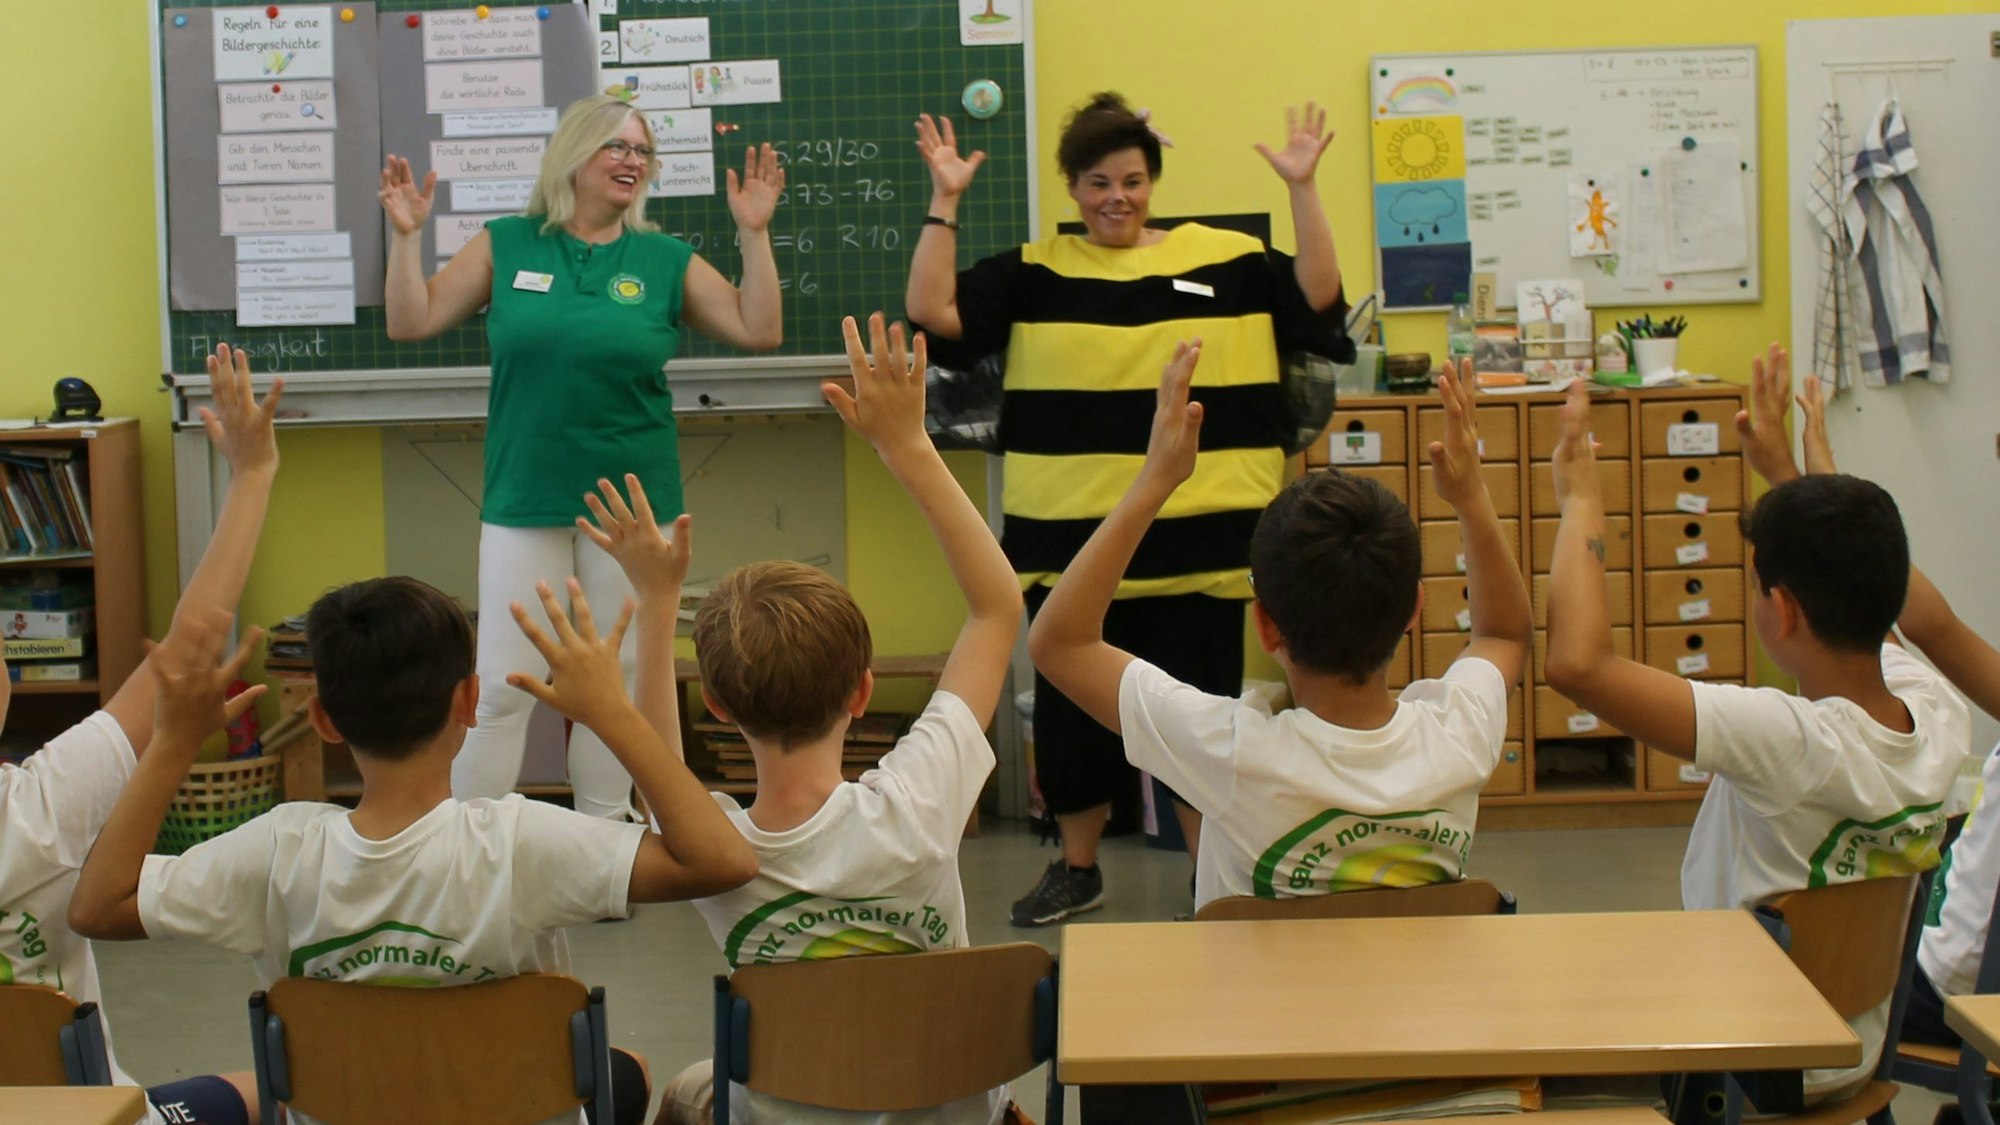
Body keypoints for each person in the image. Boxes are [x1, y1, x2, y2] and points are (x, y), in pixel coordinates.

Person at [68, 575, 759, 1125]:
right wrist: (610, 712)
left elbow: (97, 904)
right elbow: (720, 860)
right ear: (469, 700)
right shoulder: (522, 843)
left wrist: (170, 746)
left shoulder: (276, 851)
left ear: (322, 719)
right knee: (623, 1068)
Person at [906, 93, 1353, 926]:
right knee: (1074, 724)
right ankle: (1078, 869)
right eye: (1098, 181)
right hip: (1071, 554)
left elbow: (1317, 300)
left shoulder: (1229, 258)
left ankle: (1204, 875)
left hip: (1209, 551)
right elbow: (935, 314)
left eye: (1134, 180)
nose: (1118, 196)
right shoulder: (1036, 271)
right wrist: (946, 199)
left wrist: (1303, 187)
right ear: (1072, 188)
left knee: (1202, 720)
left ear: (1155, 181)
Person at [1541, 360, 1971, 1102]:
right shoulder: (1938, 710)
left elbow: (1578, 664)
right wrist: (1786, 467)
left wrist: (1581, 499)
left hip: (1752, 1053)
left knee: (1548, 1001)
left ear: (1784, 610)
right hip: (1857, 1048)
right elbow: (1873, 596)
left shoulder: (1788, 741)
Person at [657, 314, 1024, 1125]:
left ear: (713, 704)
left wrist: (654, 601)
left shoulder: (710, 849)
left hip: (790, 1109)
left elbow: (655, 757)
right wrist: (908, 445)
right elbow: (997, 609)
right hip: (943, 1106)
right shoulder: (921, 801)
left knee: (685, 1085)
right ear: (862, 692)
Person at [378, 94, 786, 821]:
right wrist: (406, 239)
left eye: (642, 152)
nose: (633, 161)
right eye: (617, 147)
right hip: (525, 497)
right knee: (504, 682)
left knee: (623, 678)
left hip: (633, 507)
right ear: (575, 155)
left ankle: (606, 836)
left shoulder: (664, 260)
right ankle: (469, 843)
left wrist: (754, 234)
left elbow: (759, 329)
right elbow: (412, 321)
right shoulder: (508, 244)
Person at [1030, 350, 1528, 909]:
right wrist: (1472, 498)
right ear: (1414, 610)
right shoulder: (1457, 736)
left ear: (1265, 625)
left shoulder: (1232, 752)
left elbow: (1059, 643)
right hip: (1417, 999)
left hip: (1257, 1001)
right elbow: (1503, 634)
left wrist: (1156, 480)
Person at [1, 344, 278, 1125]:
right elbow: (193, 644)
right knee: (286, 1088)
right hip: (85, 1115)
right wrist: (252, 475)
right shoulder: (44, 806)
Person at [1736, 353, 2000, 1051]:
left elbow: (1918, 624)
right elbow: (1910, 620)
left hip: (1943, 987)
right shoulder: (1934, 707)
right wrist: (1813, 491)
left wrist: (1805, 488)